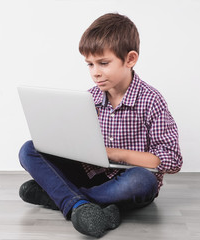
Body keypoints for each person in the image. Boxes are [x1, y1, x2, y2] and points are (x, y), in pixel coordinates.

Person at [18, 13, 183, 238]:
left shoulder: (151, 100)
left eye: (104, 63)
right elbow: (77, 145)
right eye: (90, 64)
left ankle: (65, 198)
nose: (95, 72)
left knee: (142, 180)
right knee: (29, 149)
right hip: (90, 173)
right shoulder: (90, 98)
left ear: (130, 59)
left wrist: (115, 154)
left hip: (127, 182)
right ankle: (83, 206)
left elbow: (171, 160)